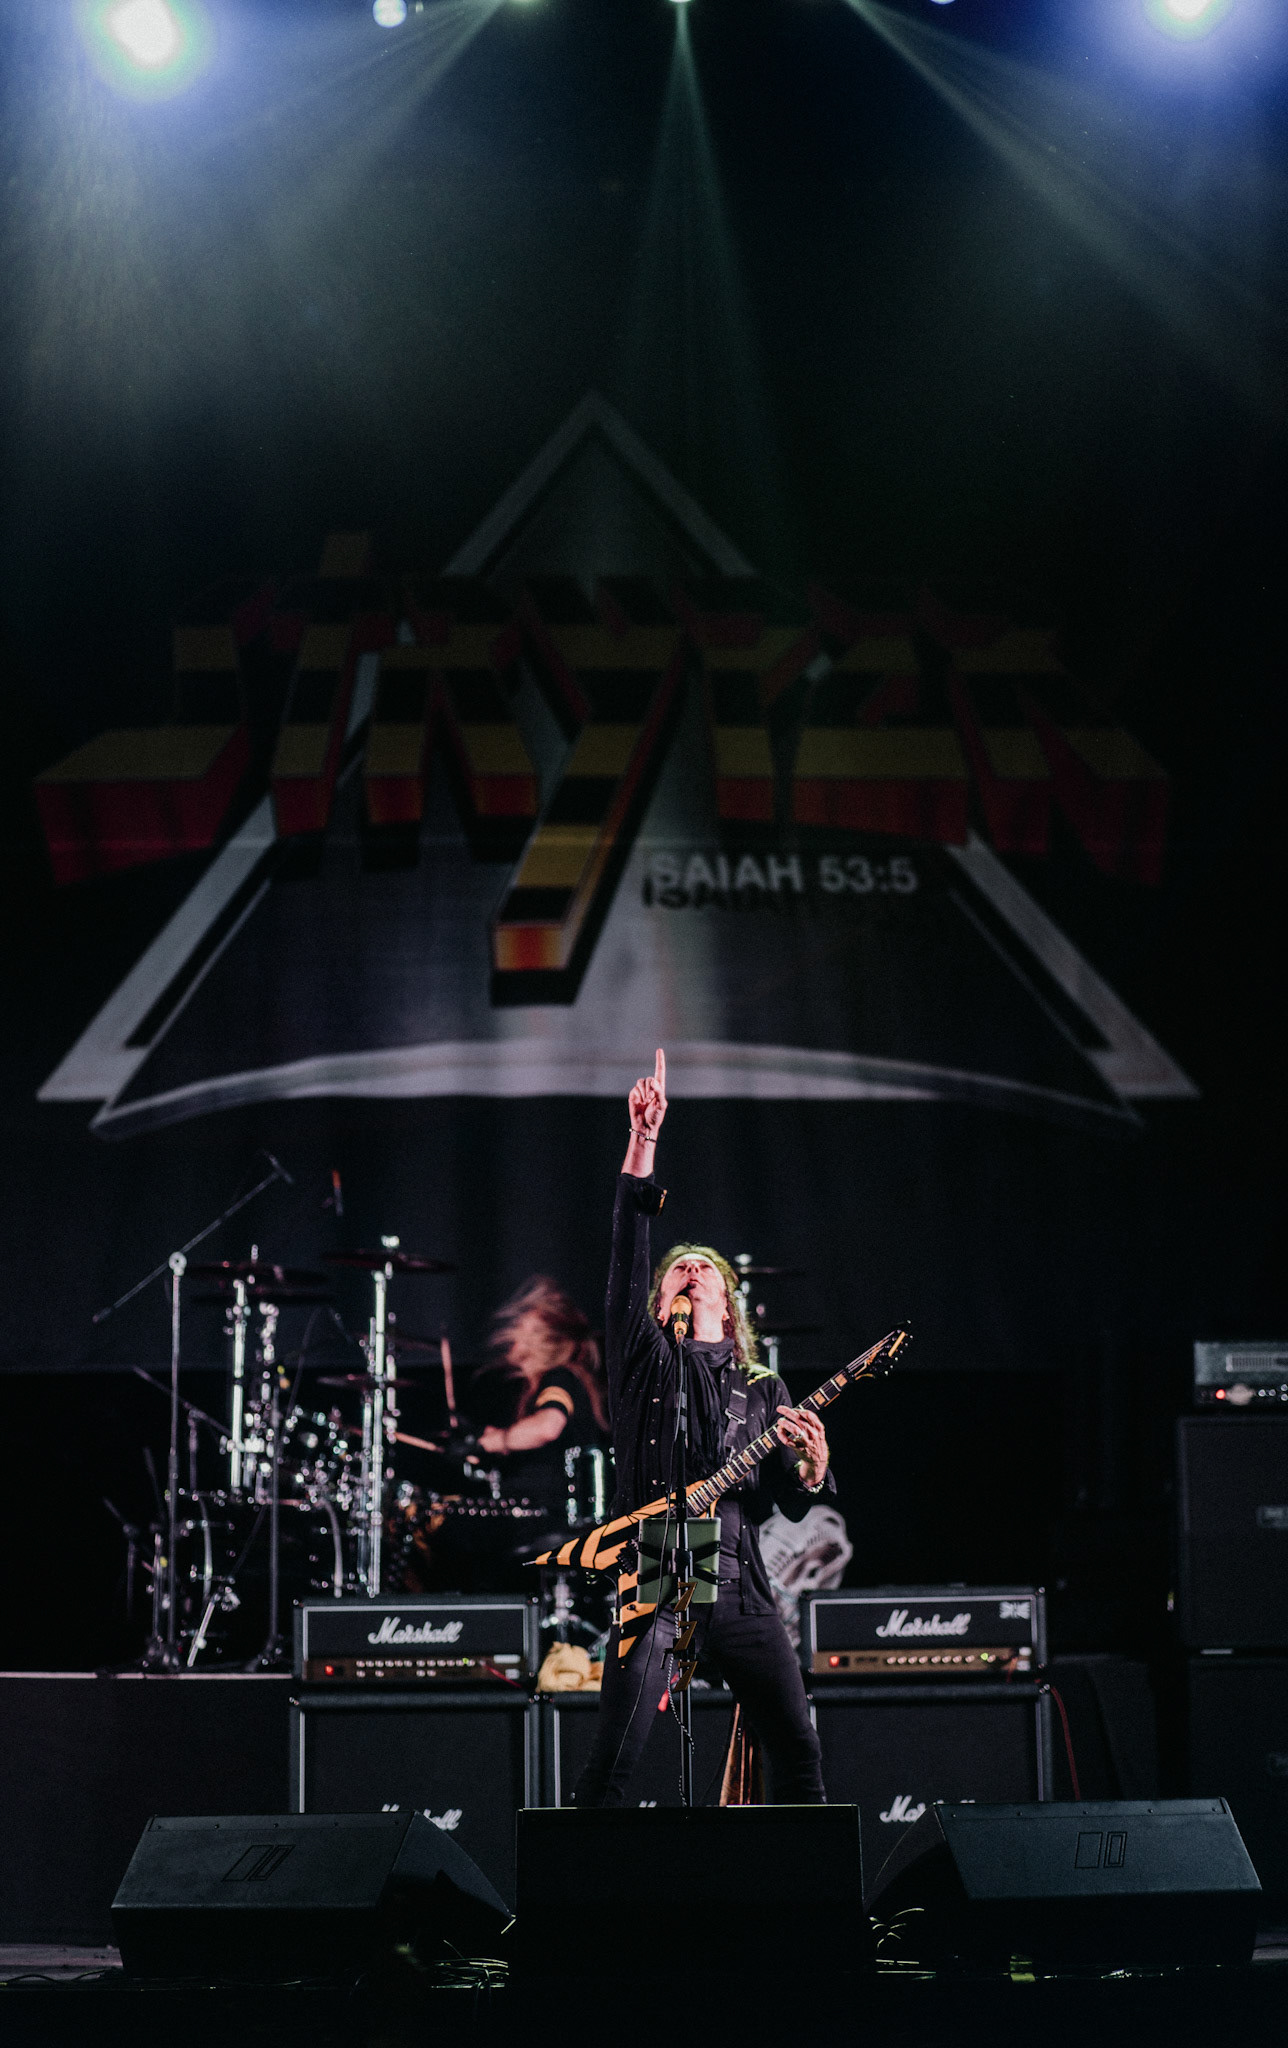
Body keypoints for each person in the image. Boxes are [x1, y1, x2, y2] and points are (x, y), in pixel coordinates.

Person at [573, 1048, 833, 1806]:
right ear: (660, 1303)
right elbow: (628, 1247)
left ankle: (810, 1879)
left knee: (799, 1750)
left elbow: (788, 1501)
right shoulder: (644, 1360)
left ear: (729, 1300)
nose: (690, 1269)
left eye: (705, 1267)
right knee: (614, 1760)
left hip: (739, 1578)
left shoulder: (763, 1386)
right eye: (677, 1269)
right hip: (656, 1567)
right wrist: (643, 1140)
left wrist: (813, 1467)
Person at [474, 1278, 610, 1522]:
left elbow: (547, 1426)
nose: (511, 1337)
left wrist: (499, 1440)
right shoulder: (548, 1382)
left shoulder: (559, 1377)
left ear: (540, 1341)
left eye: (520, 1331)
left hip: (554, 1522)